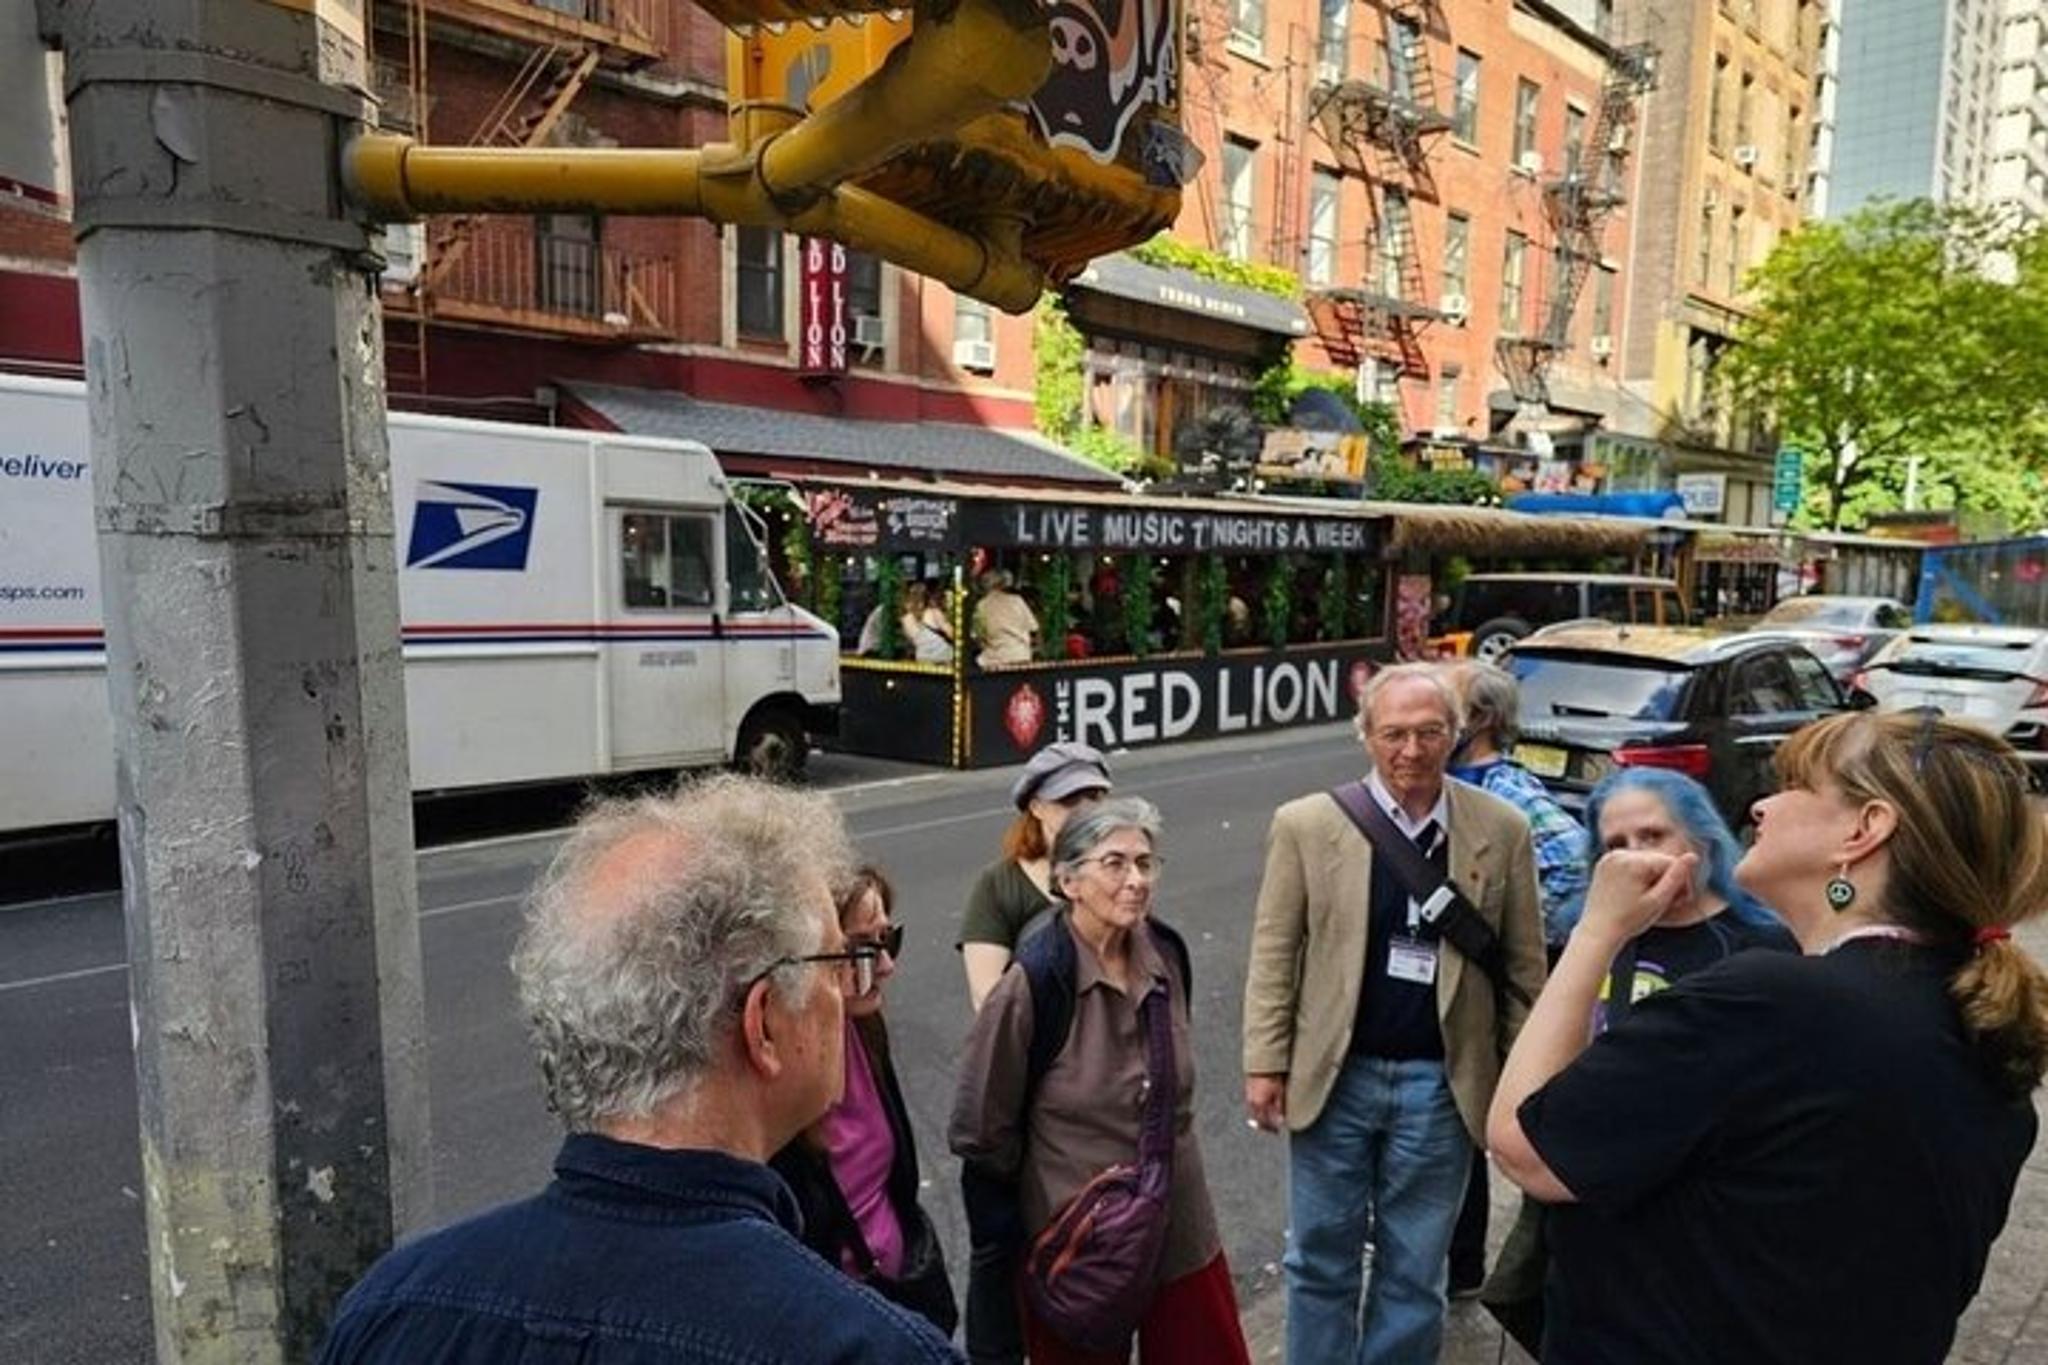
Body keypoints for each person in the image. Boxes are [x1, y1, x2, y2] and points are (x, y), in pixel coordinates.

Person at [317, 776, 959, 1365]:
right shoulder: (870, 1349)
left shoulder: (389, 1312)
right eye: (832, 963)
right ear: (763, 1024)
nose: (849, 987)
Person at [1489, 711, 2048, 1365]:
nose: (1762, 804)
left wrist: (1596, 929)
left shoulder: (1773, 1002)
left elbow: (1524, 1145)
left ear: (1864, 828)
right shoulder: (1975, 1022)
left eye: (1793, 783)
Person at [1243, 662, 1548, 1364]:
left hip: (1442, 1085)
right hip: (1335, 1077)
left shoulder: (1501, 830)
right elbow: (1274, 950)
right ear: (1366, 737)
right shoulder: (1307, 824)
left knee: (1416, 1269)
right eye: (1394, 734)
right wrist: (1265, 1060)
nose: (1411, 750)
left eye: (1429, 732)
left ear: (1457, 733)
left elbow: (1525, 968)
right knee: (1319, 1257)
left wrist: (1518, 1079)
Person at [1476, 766, 1797, 1351]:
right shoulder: (1593, 938)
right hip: (1586, 1237)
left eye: (1653, 837)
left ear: (1700, 840)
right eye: (1615, 846)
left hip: (1686, 1250)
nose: (1634, 859)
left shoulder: (1763, 949)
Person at [951, 799, 1253, 1365]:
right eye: (1115, 864)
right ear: (1069, 881)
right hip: (1079, 1243)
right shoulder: (1036, 981)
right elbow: (982, 1128)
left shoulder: (1166, 955)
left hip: (1178, 1222)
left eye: (1146, 863)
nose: (1136, 880)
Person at [1440, 659, 1594, 1298]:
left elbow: (1572, 864)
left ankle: (1462, 1267)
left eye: (1441, 705)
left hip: (1472, 983)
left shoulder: (1503, 791)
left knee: (1463, 1112)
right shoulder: (1440, 782)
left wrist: (1507, 939)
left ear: (1476, 719)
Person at [955, 740, 1112, 1365]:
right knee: (1000, 1254)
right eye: (1073, 797)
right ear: (1036, 808)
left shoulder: (1111, 878)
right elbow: (991, 1008)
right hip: (1018, 1110)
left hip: (1093, 1117)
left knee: (1088, 1255)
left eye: (1098, 795)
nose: (1088, 808)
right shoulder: (999, 889)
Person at [771, 866, 959, 1336]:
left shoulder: (864, 1029)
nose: (888, 966)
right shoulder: (774, 1078)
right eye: (862, 949)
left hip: (900, 1296)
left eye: (889, 939)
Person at [974, 569, 1038, 668]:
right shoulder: (1018, 601)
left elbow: (979, 634)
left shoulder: (982, 605)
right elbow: (1033, 628)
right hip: (1022, 654)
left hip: (997, 657)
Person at [900, 582, 955, 664]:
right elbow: (951, 633)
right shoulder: (934, 613)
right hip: (943, 655)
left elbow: (912, 642)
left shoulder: (905, 619)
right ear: (927, 598)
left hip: (923, 657)